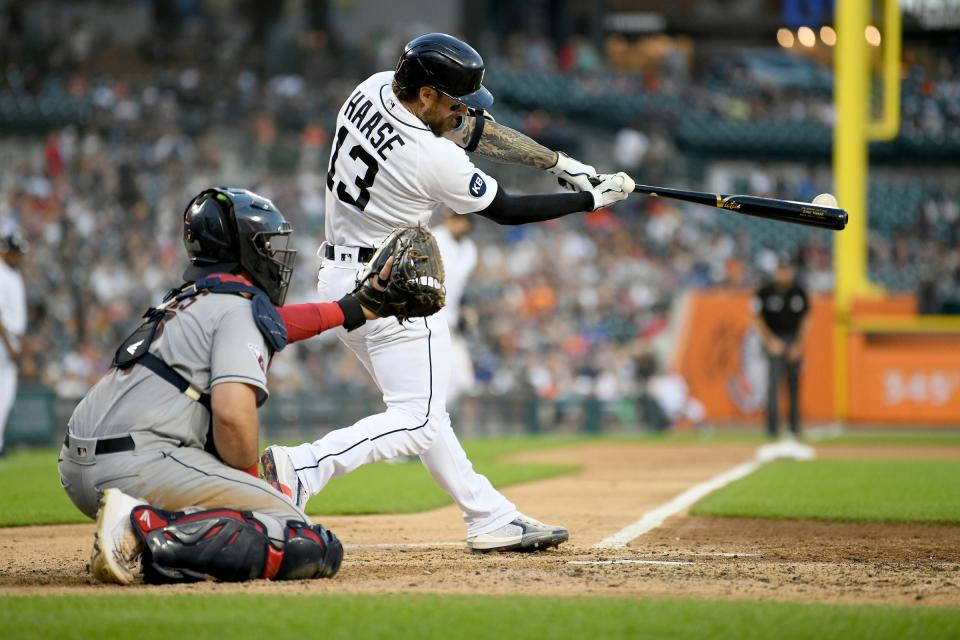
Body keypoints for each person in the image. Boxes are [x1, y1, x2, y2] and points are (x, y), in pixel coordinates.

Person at [261, 33, 635, 552]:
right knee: (417, 419)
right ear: (429, 95)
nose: (463, 111)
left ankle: (488, 517)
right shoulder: (429, 158)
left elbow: (474, 131)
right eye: (455, 100)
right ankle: (301, 467)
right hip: (394, 286)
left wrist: (558, 164)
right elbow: (504, 209)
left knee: (424, 409)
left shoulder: (371, 89)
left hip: (343, 276)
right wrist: (587, 201)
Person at [58, 187, 399, 585]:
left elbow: (277, 323)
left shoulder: (188, 299)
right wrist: (251, 487)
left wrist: (353, 308)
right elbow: (233, 418)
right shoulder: (238, 304)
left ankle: (145, 522)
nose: (274, 255)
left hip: (78, 466)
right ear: (242, 248)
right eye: (266, 244)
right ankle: (141, 532)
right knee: (304, 538)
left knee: (256, 511)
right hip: (138, 465)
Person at [752, 252, 811, 439]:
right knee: (773, 384)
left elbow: (806, 319)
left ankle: (795, 426)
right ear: (776, 271)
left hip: (793, 339)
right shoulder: (765, 291)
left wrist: (799, 344)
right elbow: (757, 318)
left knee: (794, 384)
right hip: (774, 340)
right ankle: (772, 428)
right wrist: (770, 341)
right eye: (781, 269)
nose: (784, 273)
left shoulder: (799, 292)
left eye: (787, 269)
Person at [433, 213, 478, 407]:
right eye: (451, 217)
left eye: (458, 219)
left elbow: (459, 287)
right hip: (428, 315)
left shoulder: (469, 249)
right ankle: (430, 420)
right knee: (435, 377)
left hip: (450, 319)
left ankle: (435, 419)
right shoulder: (432, 239)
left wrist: (464, 309)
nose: (452, 222)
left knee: (463, 381)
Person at [0, 232, 28, 457]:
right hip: (3, 340)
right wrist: (9, 344)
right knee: (3, 395)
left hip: (11, 339)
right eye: (16, 252)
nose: (19, 256)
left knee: (6, 396)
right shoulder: (1, 273)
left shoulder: (12, 273)